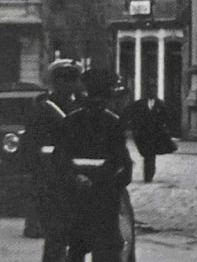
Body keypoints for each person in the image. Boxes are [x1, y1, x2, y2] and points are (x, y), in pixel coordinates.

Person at [54, 67, 134, 262]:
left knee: (75, 250)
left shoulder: (70, 121)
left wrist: (75, 178)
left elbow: (59, 162)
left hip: (77, 202)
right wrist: (106, 183)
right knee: (107, 252)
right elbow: (124, 169)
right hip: (104, 205)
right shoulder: (114, 123)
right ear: (108, 97)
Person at [21, 58, 82, 260]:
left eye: (73, 78)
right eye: (63, 79)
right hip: (50, 183)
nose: (68, 84)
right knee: (55, 239)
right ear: (54, 82)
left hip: (76, 182)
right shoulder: (42, 110)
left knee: (77, 241)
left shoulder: (80, 109)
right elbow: (30, 147)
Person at [123, 87, 175, 183]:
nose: (152, 93)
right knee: (147, 155)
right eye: (150, 91)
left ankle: (148, 176)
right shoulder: (139, 104)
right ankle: (148, 175)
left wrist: (165, 129)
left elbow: (166, 117)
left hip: (155, 134)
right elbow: (129, 113)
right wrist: (133, 126)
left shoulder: (160, 104)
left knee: (150, 156)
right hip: (143, 134)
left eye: (153, 91)